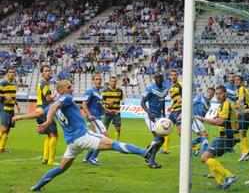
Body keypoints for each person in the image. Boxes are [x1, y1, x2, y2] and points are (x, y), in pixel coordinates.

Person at [12, 80, 153, 191]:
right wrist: (49, 121)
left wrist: (20, 117)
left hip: (72, 143)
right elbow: (52, 109)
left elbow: (38, 113)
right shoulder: (65, 98)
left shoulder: (55, 103)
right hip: (83, 137)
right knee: (113, 144)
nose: (72, 89)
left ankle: (37, 186)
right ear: (61, 90)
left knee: (61, 168)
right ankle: (144, 152)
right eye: (69, 86)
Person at [194, 85, 239, 189]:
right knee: (207, 157)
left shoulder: (226, 104)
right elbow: (222, 118)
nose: (218, 96)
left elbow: (220, 121)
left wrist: (202, 118)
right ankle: (221, 182)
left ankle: (229, 176)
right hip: (228, 136)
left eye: (220, 93)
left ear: (225, 93)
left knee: (205, 157)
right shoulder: (223, 104)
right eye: (217, 94)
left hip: (228, 136)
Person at [141, 72, 170, 168]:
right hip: (151, 116)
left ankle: (149, 152)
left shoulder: (165, 89)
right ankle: (150, 161)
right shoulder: (150, 89)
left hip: (160, 116)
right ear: (154, 78)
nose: (158, 79)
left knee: (161, 139)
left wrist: (164, 115)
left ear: (163, 78)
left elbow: (162, 101)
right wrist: (149, 113)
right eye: (156, 77)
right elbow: (142, 102)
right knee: (158, 138)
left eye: (160, 77)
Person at [81, 73, 109, 166]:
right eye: (96, 79)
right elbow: (84, 104)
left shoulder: (99, 92)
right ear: (93, 81)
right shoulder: (90, 91)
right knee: (105, 137)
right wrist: (89, 115)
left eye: (100, 79)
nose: (98, 81)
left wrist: (107, 110)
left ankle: (87, 158)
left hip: (97, 118)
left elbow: (99, 105)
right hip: (94, 118)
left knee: (96, 139)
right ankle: (93, 158)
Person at [36, 65, 58, 165]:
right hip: (44, 111)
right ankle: (51, 160)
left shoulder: (42, 83)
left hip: (39, 111)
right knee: (54, 135)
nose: (48, 72)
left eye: (49, 70)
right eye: (46, 71)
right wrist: (55, 95)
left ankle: (45, 158)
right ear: (42, 73)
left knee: (48, 135)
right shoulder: (44, 84)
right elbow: (48, 99)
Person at [163, 69, 183, 154]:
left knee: (180, 132)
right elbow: (175, 99)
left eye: (175, 75)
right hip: (174, 110)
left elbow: (188, 94)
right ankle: (165, 150)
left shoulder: (180, 84)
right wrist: (171, 106)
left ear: (177, 76)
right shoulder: (171, 86)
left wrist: (182, 99)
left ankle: (194, 147)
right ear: (170, 76)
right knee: (166, 128)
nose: (173, 76)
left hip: (180, 110)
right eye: (172, 75)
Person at [0, 68, 20, 152]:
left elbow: (13, 96)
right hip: (4, 108)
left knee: (8, 129)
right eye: (10, 72)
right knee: (4, 128)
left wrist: (17, 104)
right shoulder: (3, 83)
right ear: (7, 74)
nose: (12, 73)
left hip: (11, 109)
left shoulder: (13, 84)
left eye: (13, 72)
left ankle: (2, 148)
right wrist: (4, 96)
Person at [192, 87, 215, 156]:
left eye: (212, 93)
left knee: (204, 136)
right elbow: (191, 103)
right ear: (206, 92)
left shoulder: (209, 104)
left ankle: (191, 144)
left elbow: (204, 114)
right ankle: (204, 153)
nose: (210, 94)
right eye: (209, 92)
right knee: (205, 135)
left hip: (200, 120)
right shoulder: (200, 97)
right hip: (194, 118)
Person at [235, 75, 249, 162]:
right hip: (246, 112)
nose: (236, 81)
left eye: (238, 80)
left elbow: (240, 101)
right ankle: (246, 153)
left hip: (246, 112)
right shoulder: (240, 89)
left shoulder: (241, 88)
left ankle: (245, 152)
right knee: (239, 132)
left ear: (242, 81)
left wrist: (236, 110)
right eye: (235, 80)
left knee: (240, 132)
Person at [102, 76, 124, 140]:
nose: (113, 82)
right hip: (107, 112)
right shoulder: (105, 90)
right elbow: (102, 100)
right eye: (112, 81)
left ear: (116, 82)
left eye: (114, 81)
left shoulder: (119, 90)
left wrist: (122, 101)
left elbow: (122, 97)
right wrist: (107, 102)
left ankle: (116, 142)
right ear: (109, 82)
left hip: (117, 112)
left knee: (118, 128)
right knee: (105, 129)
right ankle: (104, 141)